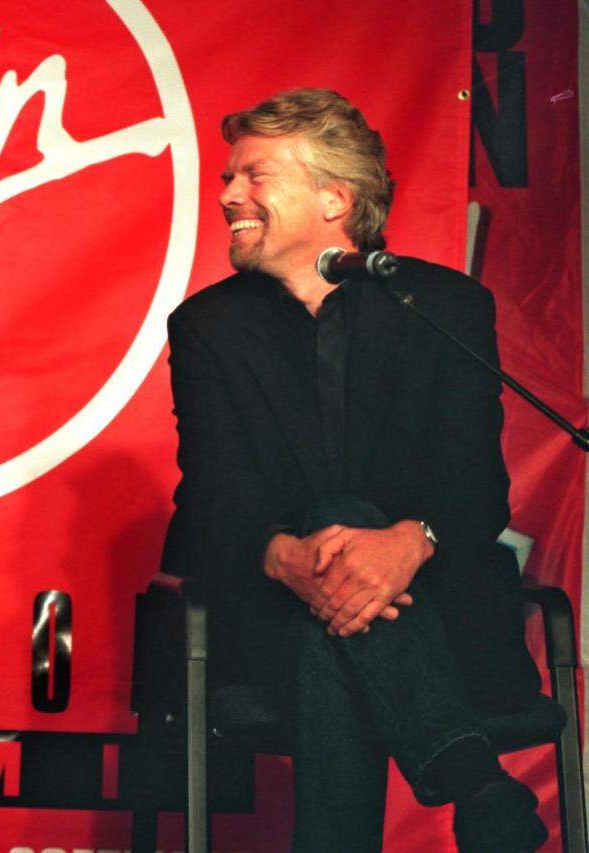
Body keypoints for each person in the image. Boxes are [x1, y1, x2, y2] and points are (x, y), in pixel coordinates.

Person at [162, 89, 547, 851]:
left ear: (335, 197)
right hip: (273, 618)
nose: (227, 194)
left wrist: (410, 541)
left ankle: (466, 774)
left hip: (439, 617)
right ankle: (474, 781)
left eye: (253, 175)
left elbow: (476, 489)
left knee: (329, 634)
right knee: (324, 602)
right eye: (227, 177)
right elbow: (212, 501)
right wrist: (287, 557)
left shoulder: (445, 306)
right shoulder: (208, 327)